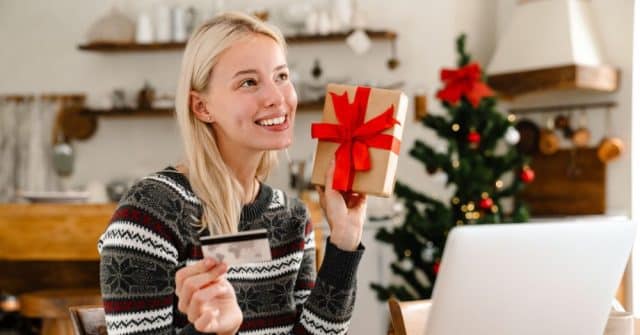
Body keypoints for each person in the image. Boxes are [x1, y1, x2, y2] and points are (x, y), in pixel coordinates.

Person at [98, 11, 367, 335]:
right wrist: (212, 332)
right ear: (201, 107)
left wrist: (344, 244)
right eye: (249, 82)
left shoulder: (291, 218)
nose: (276, 97)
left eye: (281, 76)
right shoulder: (150, 213)